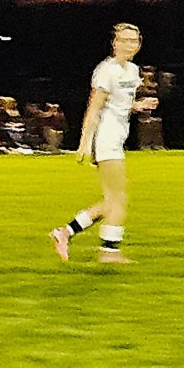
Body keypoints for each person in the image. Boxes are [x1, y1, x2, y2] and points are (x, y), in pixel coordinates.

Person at [50, 23, 156, 264]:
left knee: (111, 200)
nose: (130, 44)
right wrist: (84, 144)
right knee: (117, 199)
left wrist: (139, 106)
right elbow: (95, 108)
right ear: (114, 43)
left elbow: (120, 104)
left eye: (134, 40)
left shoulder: (132, 71)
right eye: (124, 40)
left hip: (117, 138)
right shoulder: (105, 70)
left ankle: (65, 232)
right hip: (106, 139)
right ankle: (108, 252)